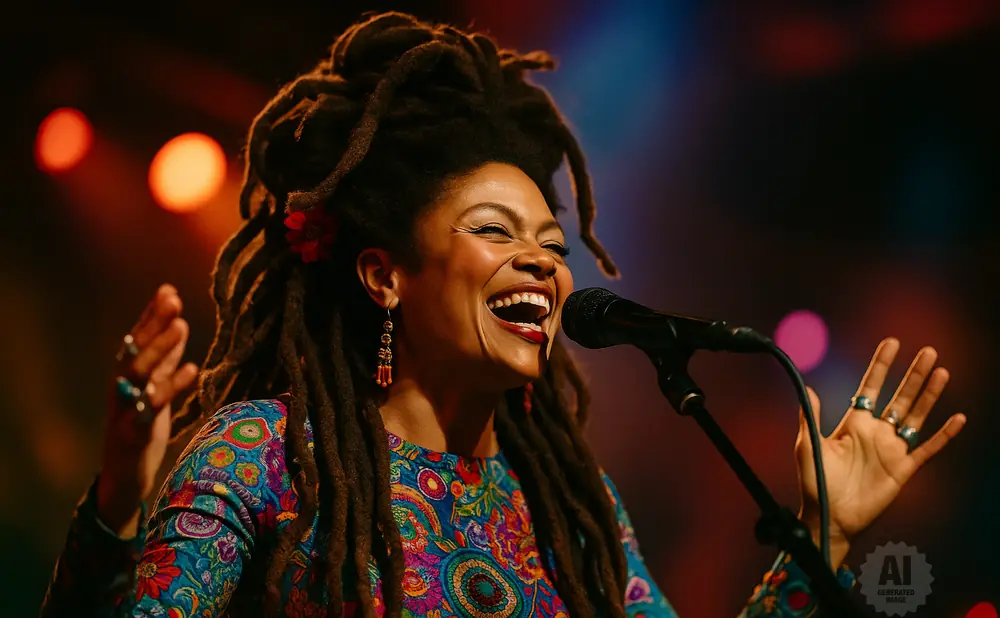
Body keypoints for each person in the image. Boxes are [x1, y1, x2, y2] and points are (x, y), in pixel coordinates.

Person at [39, 11, 967, 618]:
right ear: (384, 276)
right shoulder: (266, 455)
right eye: (496, 231)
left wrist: (828, 533)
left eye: (553, 248)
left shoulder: (568, 506)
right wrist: (120, 497)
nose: (541, 261)